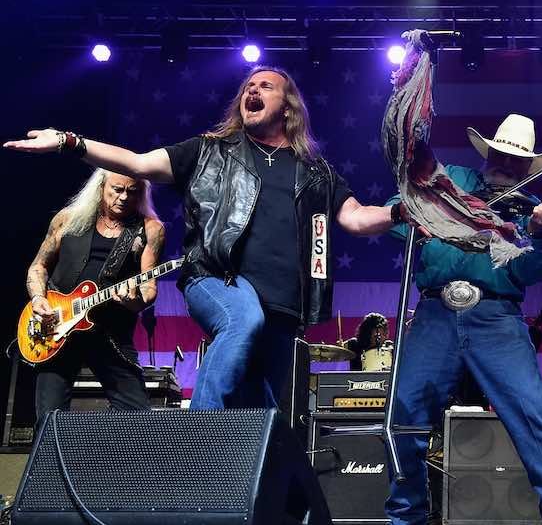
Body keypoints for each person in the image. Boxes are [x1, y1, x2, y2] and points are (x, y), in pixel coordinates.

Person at [6, 66, 401, 410]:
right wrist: (68, 141)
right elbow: (136, 162)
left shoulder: (318, 172)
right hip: (217, 277)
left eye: (265, 86)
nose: (252, 90)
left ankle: (252, 491)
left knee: (260, 409)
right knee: (242, 320)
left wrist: (402, 211)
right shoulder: (208, 152)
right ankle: (199, 437)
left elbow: (356, 218)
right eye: (249, 86)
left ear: (288, 106)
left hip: (284, 305)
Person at [367, 114, 542, 525]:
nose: (507, 163)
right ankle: (406, 522)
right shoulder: (451, 181)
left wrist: (539, 235)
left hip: (496, 317)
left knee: (531, 411)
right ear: (490, 153)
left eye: (517, 160)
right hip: (435, 311)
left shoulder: (530, 207)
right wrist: (425, 212)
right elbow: (397, 219)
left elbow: (528, 272)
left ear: (528, 168)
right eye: (502, 154)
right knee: (405, 412)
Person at [26, 168, 164, 423]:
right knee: (48, 420)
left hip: (110, 332)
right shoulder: (67, 219)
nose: (124, 197)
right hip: (57, 328)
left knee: (138, 418)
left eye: (132, 192)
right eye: (117, 189)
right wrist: (37, 298)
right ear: (101, 187)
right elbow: (38, 266)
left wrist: (135, 302)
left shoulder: (150, 228)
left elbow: (149, 287)